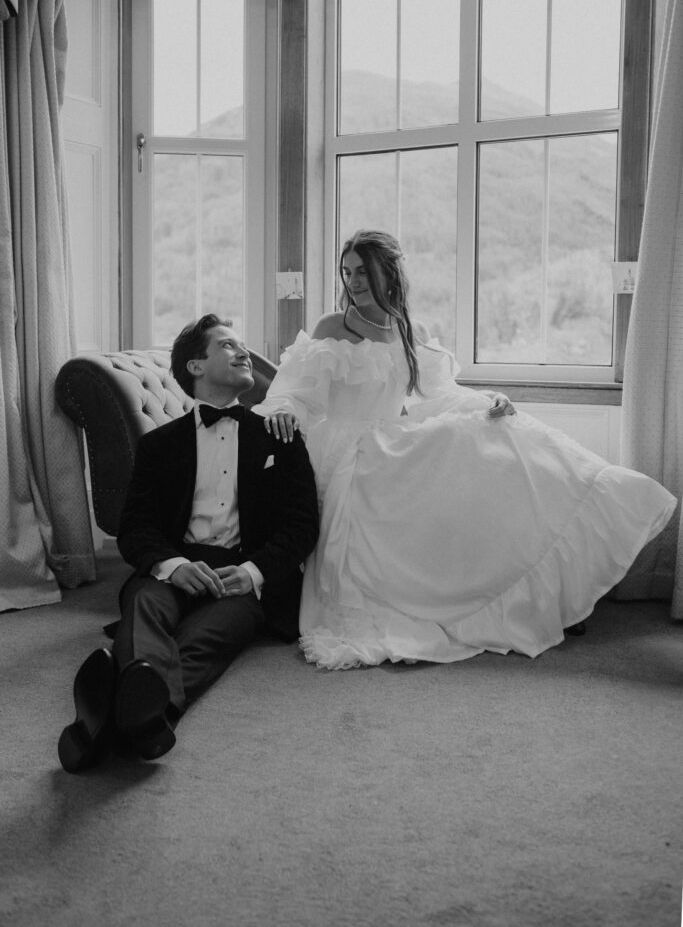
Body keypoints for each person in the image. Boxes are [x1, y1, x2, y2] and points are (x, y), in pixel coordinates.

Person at [252, 229, 677, 671]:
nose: (353, 281)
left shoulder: (409, 329)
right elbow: (294, 388)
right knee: (444, 463)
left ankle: (561, 552)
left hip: (390, 440)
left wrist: (489, 400)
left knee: (498, 437)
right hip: (347, 452)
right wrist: (281, 409)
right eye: (347, 272)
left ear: (389, 273)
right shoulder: (332, 326)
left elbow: (440, 393)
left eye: (363, 271)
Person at [58, 315, 319, 772]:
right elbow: (135, 527)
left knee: (206, 639)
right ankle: (145, 722)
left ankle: (106, 727)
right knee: (144, 607)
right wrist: (173, 566)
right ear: (196, 366)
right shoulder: (159, 446)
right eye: (228, 345)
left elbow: (302, 526)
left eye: (242, 344)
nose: (243, 352)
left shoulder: (279, 436)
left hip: (241, 573)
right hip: (174, 564)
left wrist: (253, 573)